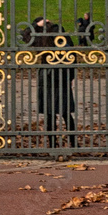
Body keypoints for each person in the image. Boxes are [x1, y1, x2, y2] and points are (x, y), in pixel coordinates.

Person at [29, 17, 76, 149]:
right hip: (62, 79)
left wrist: (35, 25)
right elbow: (73, 60)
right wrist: (70, 78)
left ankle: (52, 144)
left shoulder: (42, 41)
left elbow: (25, 35)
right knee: (66, 114)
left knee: (51, 115)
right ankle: (73, 143)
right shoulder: (63, 40)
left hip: (48, 79)